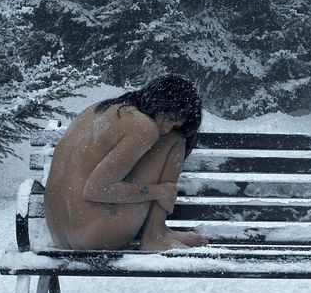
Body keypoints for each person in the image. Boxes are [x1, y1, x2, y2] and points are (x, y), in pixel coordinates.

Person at [44, 75, 210, 252]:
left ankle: (158, 232)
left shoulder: (100, 110)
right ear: (160, 102)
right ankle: (155, 235)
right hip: (95, 236)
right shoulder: (143, 127)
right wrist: (159, 192)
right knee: (176, 140)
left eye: (176, 125)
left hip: (59, 236)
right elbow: (96, 190)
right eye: (170, 118)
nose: (168, 129)